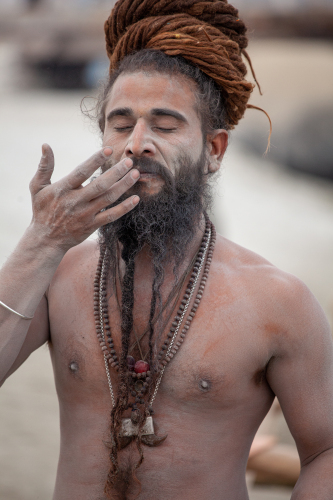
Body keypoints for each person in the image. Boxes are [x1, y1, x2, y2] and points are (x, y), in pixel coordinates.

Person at [1, 1, 333, 499]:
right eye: (120, 122)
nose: (138, 143)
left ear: (215, 150)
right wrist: (41, 242)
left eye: (165, 123)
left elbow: (325, 451)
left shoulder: (279, 302)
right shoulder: (57, 274)